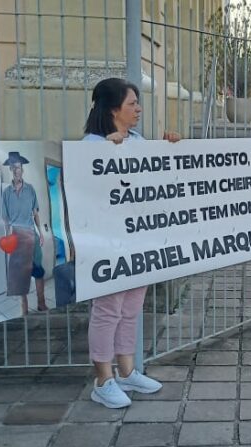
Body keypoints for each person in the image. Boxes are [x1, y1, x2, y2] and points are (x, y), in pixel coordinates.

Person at [81, 78, 172, 409]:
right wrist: (107, 151)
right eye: (132, 103)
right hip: (107, 241)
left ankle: (127, 371)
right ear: (112, 109)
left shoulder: (137, 141)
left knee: (131, 308)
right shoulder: (90, 145)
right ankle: (103, 380)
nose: (138, 109)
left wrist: (170, 149)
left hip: (138, 237)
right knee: (108, 309)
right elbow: (87, 190)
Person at [1, 151, 49, 315]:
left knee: (38, 270)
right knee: (20, 275)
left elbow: (35, 213)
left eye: (19, 167)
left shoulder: (30, 189)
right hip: (16, 236)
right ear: (10, 169)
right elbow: (6, 219)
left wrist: (40, 233)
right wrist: (7, 238)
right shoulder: (6, 193)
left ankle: (41, 303)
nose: (17, 170)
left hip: (31, 234)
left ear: (22, 169)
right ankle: (24, 309)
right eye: (14, 167)